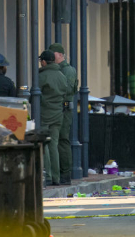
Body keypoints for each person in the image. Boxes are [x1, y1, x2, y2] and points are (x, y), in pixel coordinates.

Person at [48, 43, 78, 185]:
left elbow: (68, 90)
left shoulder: (68, 70)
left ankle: (65, 173)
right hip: (57, 108)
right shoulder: (57, 70)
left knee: (62, 140)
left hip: (64, 109)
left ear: (60, 55)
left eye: (53, 53)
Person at [38, 50, 69, 187]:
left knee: (43, 144)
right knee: (54, 145)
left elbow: (36, 93)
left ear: (44, 62)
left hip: (44, 113)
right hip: (58, 114)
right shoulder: (62, 75)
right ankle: (56, 177)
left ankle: (48, 176)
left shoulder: (41, 76)